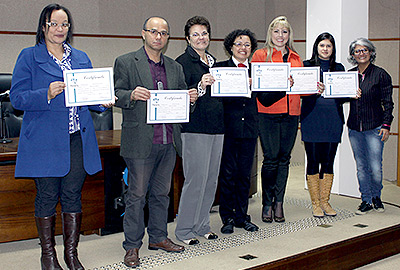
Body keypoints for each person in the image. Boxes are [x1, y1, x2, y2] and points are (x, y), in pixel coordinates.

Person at [10, 4, 112, 270]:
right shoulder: (29, 56)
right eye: (53, 24)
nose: (59, 29)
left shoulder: (80, 57)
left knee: (72, 194)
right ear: (43, 26)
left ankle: (71, 254)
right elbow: (17, 98)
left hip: (77, 137)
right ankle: (48, 256)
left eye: (64, 24)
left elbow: (91, 96)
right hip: (44, 140)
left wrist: (103, 102)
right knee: (46, 195)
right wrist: (46, 92)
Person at [113, 16, 197, 268]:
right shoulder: (126, 62)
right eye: (154, 31)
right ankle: (132, 246)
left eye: (164, 33)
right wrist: (130, 94)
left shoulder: (175, 67)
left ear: (168, 38)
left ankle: (158, 237)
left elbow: (182, 101)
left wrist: (190, 99)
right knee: (137, 195)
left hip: (168, 140)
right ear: (143, 34)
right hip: (140, 140)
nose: (158, 36)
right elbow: (114, 94)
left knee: (162, 193)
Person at [216, 29, 285, 234]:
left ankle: (241, 216)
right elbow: (217, 98)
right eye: (238, 44)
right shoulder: (220, 68)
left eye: (247, 45)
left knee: (245, 175)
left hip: (249, 129)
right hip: (228, 129)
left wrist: (282, 87)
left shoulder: (257, 70)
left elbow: (264, 99)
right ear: (230, 46)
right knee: (228, 174)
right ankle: (227, 216)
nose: (243, 48)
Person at [174, 16, 223, 245]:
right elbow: (180, 98)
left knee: (211, 180)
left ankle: (202, 225)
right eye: (195, 34)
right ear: (187, 38)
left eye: (204, 33)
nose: (201, 38)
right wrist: (199, 86)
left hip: (217, 128)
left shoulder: (216, 62)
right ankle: (184, 230)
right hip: (194, 129)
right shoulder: (182, 62)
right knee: (195, 179)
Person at [251, 16, 300, 223]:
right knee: (270, 159)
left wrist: (315, 88)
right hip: (268, 112)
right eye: (277, 31)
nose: (281, 36)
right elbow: (259, 89)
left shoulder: (296, 58)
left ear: (289, 35)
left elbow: (301, 87)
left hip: (291, 113)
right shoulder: (260, 55)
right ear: (270, 34)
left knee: (284, 158)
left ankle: (279, 202)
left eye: (285, 32)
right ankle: (267, 203)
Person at [347, 38, 394, 215]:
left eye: (365, 50)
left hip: (375, 127)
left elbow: (388, 103)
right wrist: (349, 95)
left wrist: (386, 125)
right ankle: (365, 199)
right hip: (354, 129)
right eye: (357, 51)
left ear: (371, 52)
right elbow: (340, 97)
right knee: (361, 167)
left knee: (375, 167)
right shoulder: (349, 75)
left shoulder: (381, 74)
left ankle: (376, 197)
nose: (361, 53)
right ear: (353, 55)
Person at [301, 32, 346, 218]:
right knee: (313, 161)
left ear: (332, 48)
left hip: (333, 120)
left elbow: (343, 95)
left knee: (328, 161)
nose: (325, 49)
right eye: (322, 46)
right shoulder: (306, 66)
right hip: (312, 119)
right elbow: (301, 92)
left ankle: (325, 201)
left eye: (328, 46)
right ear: (316, 47)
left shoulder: (339, 67)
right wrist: (314, 91)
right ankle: (315, 203)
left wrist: (352, 91)